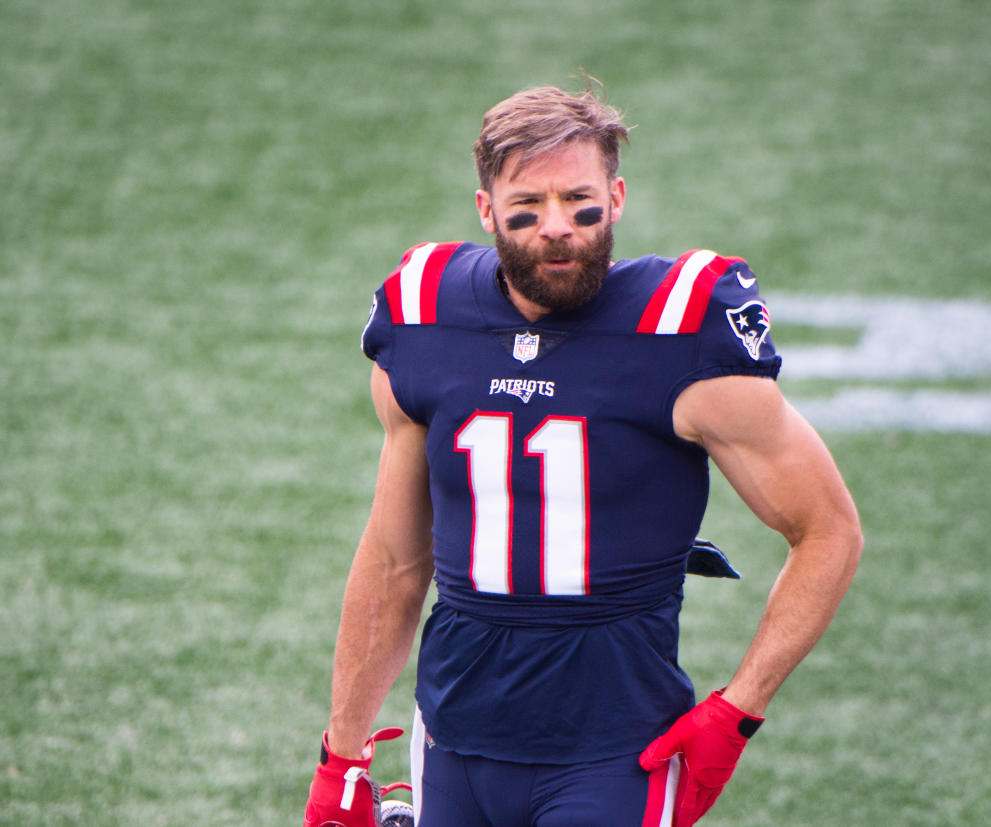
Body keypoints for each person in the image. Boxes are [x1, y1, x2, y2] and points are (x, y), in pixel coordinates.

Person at [303, 79, 863, 827]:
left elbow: (828, 530)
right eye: (526, 209)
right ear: (485, 212)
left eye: (580, 203)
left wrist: (738, 709)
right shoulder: (426, 317)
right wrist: (342, 754)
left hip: (615, 753)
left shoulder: (683, 328)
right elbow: (397, 557)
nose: (556, 227)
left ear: (618, 197)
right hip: (453, 741)